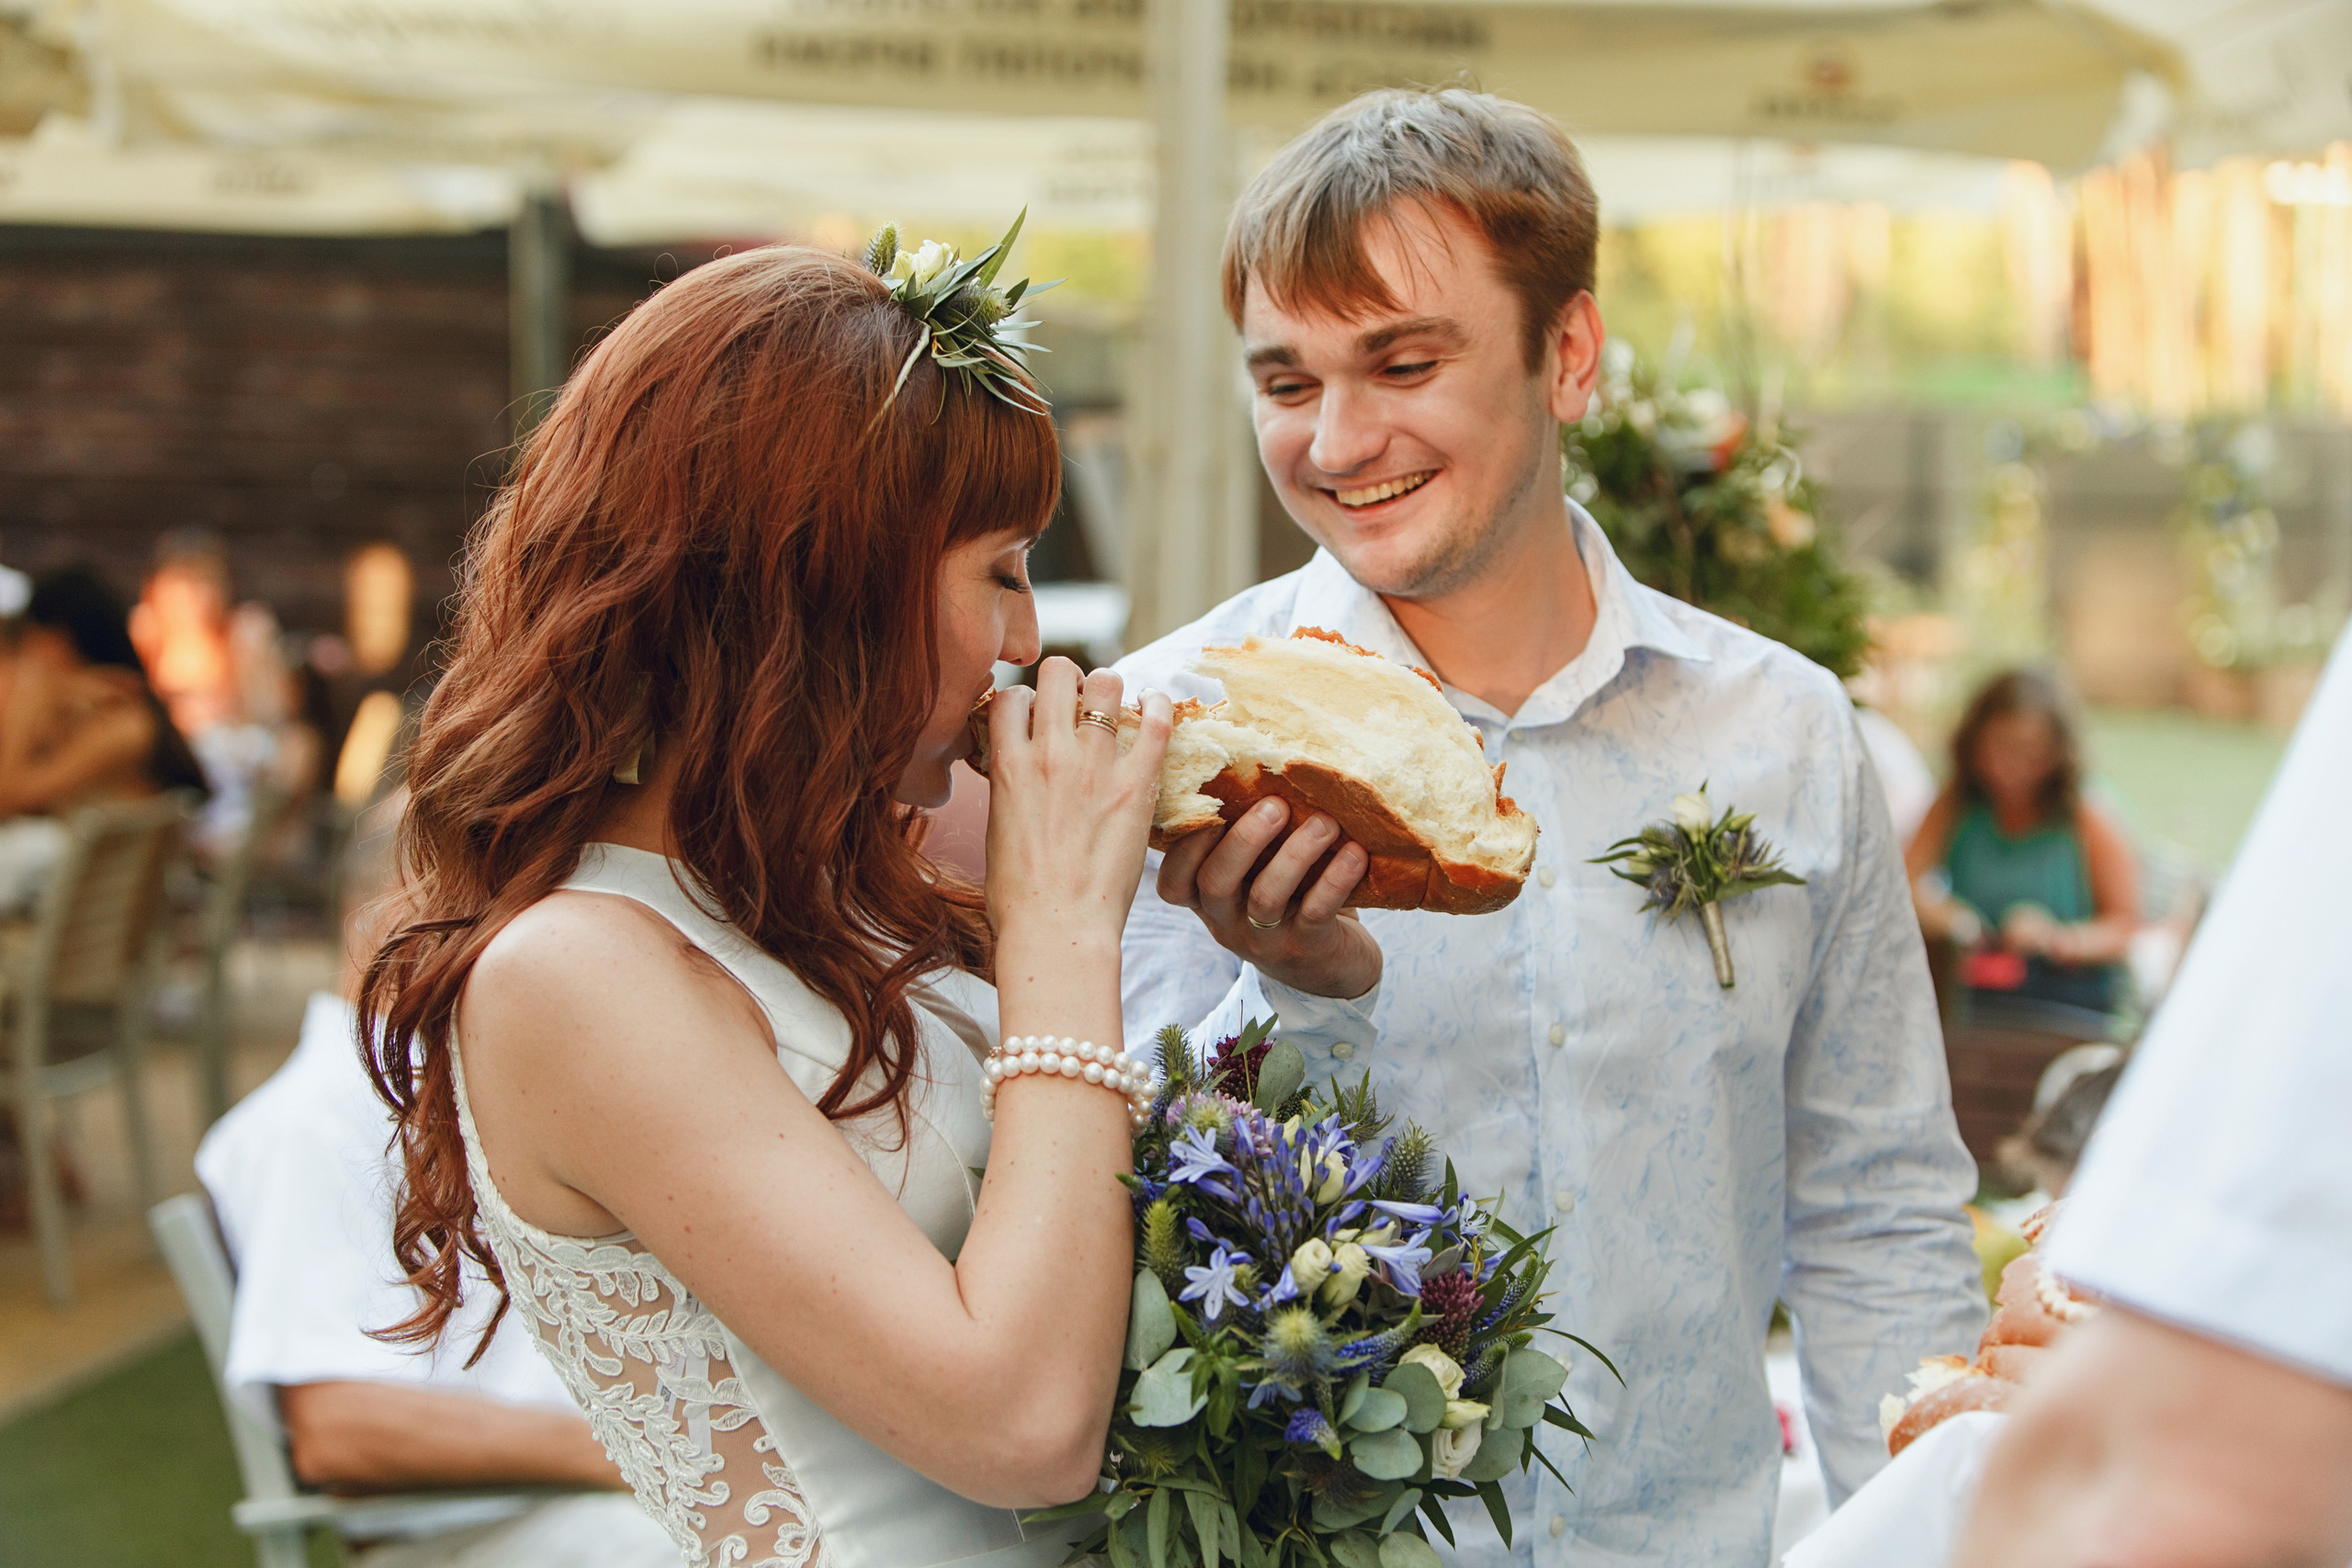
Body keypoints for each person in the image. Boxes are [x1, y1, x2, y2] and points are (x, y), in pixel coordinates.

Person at [1115, 86, 1986, 1565]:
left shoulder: (1780, 728)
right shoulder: (1159, 734)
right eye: (1286, 381)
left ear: (1565, 354)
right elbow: (1106, 1215)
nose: (1336, 438)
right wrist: (1284, 991)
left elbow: (1876, 1203)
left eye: (1402, 361)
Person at [361, 238, 1180, 1568]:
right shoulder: (577, 973)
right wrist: (1064, 931)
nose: (1029, 644)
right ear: (823, 580)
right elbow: (1024, 1423)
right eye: (1003, 570)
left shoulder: (848, 902)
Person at [1949, 627, 2352, 1567]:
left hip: (2071, 1015)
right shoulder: (1958, 812)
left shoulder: (2088, 818)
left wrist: (2060, 936)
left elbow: (2178, 1488)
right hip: (1985, 1019)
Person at [197, 795, 677, 1568]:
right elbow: (342, 1426)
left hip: (593, 1506)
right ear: (395, 907)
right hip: (499, 1532)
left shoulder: (459, 1079)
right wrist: (637, 1450)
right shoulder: (316, 1115)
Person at [1906, 671, 2138, 1019]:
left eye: (2031, 753)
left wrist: (2058, 939)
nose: (2012, 768)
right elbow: (1901, 882)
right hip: (1978, 999)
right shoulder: (1957, 805)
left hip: (2065, 1004)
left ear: (2058, 753)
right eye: (2000, 747)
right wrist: (1950, 917)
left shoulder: (2087, 816)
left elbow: (2127, 928)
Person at [0, 566, 209, 909]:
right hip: (101, 914)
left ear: (57, 638)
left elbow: (7, 796)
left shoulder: (124, 723)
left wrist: (33, 695)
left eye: (27, 642)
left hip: (104, 920)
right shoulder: (107, 710)